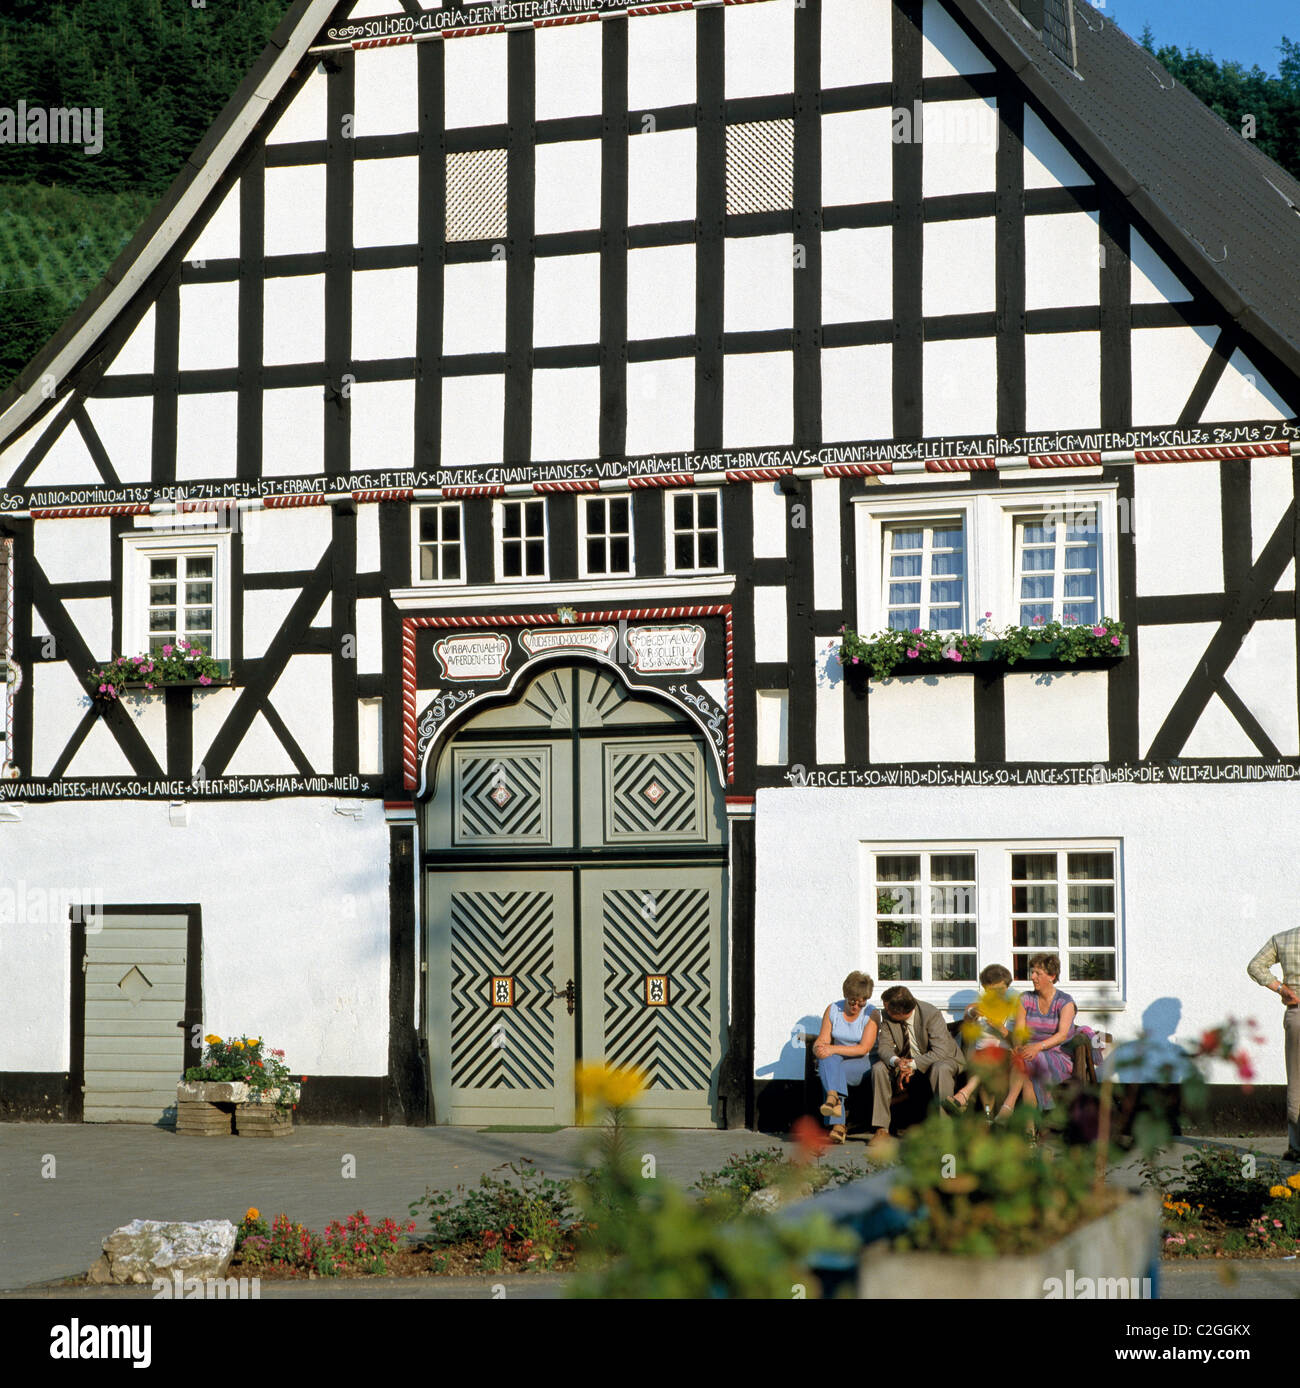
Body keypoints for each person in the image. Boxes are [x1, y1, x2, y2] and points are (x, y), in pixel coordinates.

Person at [870, 985, 963, 1136]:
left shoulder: (930, 1014)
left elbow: (940, 1051)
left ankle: (945, 1129)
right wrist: (897, 1062)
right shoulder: (887, 1017)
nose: (884, 1012)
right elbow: (884, 1047)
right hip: (905, 1060)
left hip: (943, 1059)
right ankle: (882, 1129)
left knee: (941, 1068)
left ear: (901, 1012)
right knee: (878, 1068)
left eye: (887, 1009)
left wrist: (912, 1065)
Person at [999, 953, 1075, 1123]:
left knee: (1028, 1060)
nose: (1032, 977)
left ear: (1052, 976)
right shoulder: (1025, 999)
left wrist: (1036, 1047)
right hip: (1030, 1053)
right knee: (1026, 1064)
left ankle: (1008, 1107)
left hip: (1058, 1054)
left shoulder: (1065, 1002)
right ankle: (1030, 1133)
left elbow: (1062, 1035)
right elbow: (1019, 1031)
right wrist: (1018, 1046)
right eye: (1032, 972)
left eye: (1038, 973)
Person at [1246, 925, 1300, 1162]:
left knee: (1297, 1082)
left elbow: (1255, 966)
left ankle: (1296, 1148)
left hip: (1297, 1013)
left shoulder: (1285, 938)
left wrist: (1282, 989)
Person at [812, 971, 878, 1144]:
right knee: (827, 1060)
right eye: (853, 1001)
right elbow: (823, 1040)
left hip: (865, 1060)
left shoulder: (872, 1014)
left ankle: (837, 1122)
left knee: (834, 1067)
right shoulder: (833, 1009)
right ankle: (834, 1103)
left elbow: (864, 1049)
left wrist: (831, 1049)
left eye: (862, 1002)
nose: (857, 1006)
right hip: (839, 1057)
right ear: (845, 995)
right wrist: (819, 1048)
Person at [943, 963, 1015, 1115]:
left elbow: (1018, 1042)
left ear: (1007, 988)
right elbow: (967, 1020)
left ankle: (964, 1094)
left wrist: (1001, 1029)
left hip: (1007, 1058)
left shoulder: (1015, 1009)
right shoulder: (977, 1007)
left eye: (1000, 990)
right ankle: (989, 1120)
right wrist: (973, 1013)